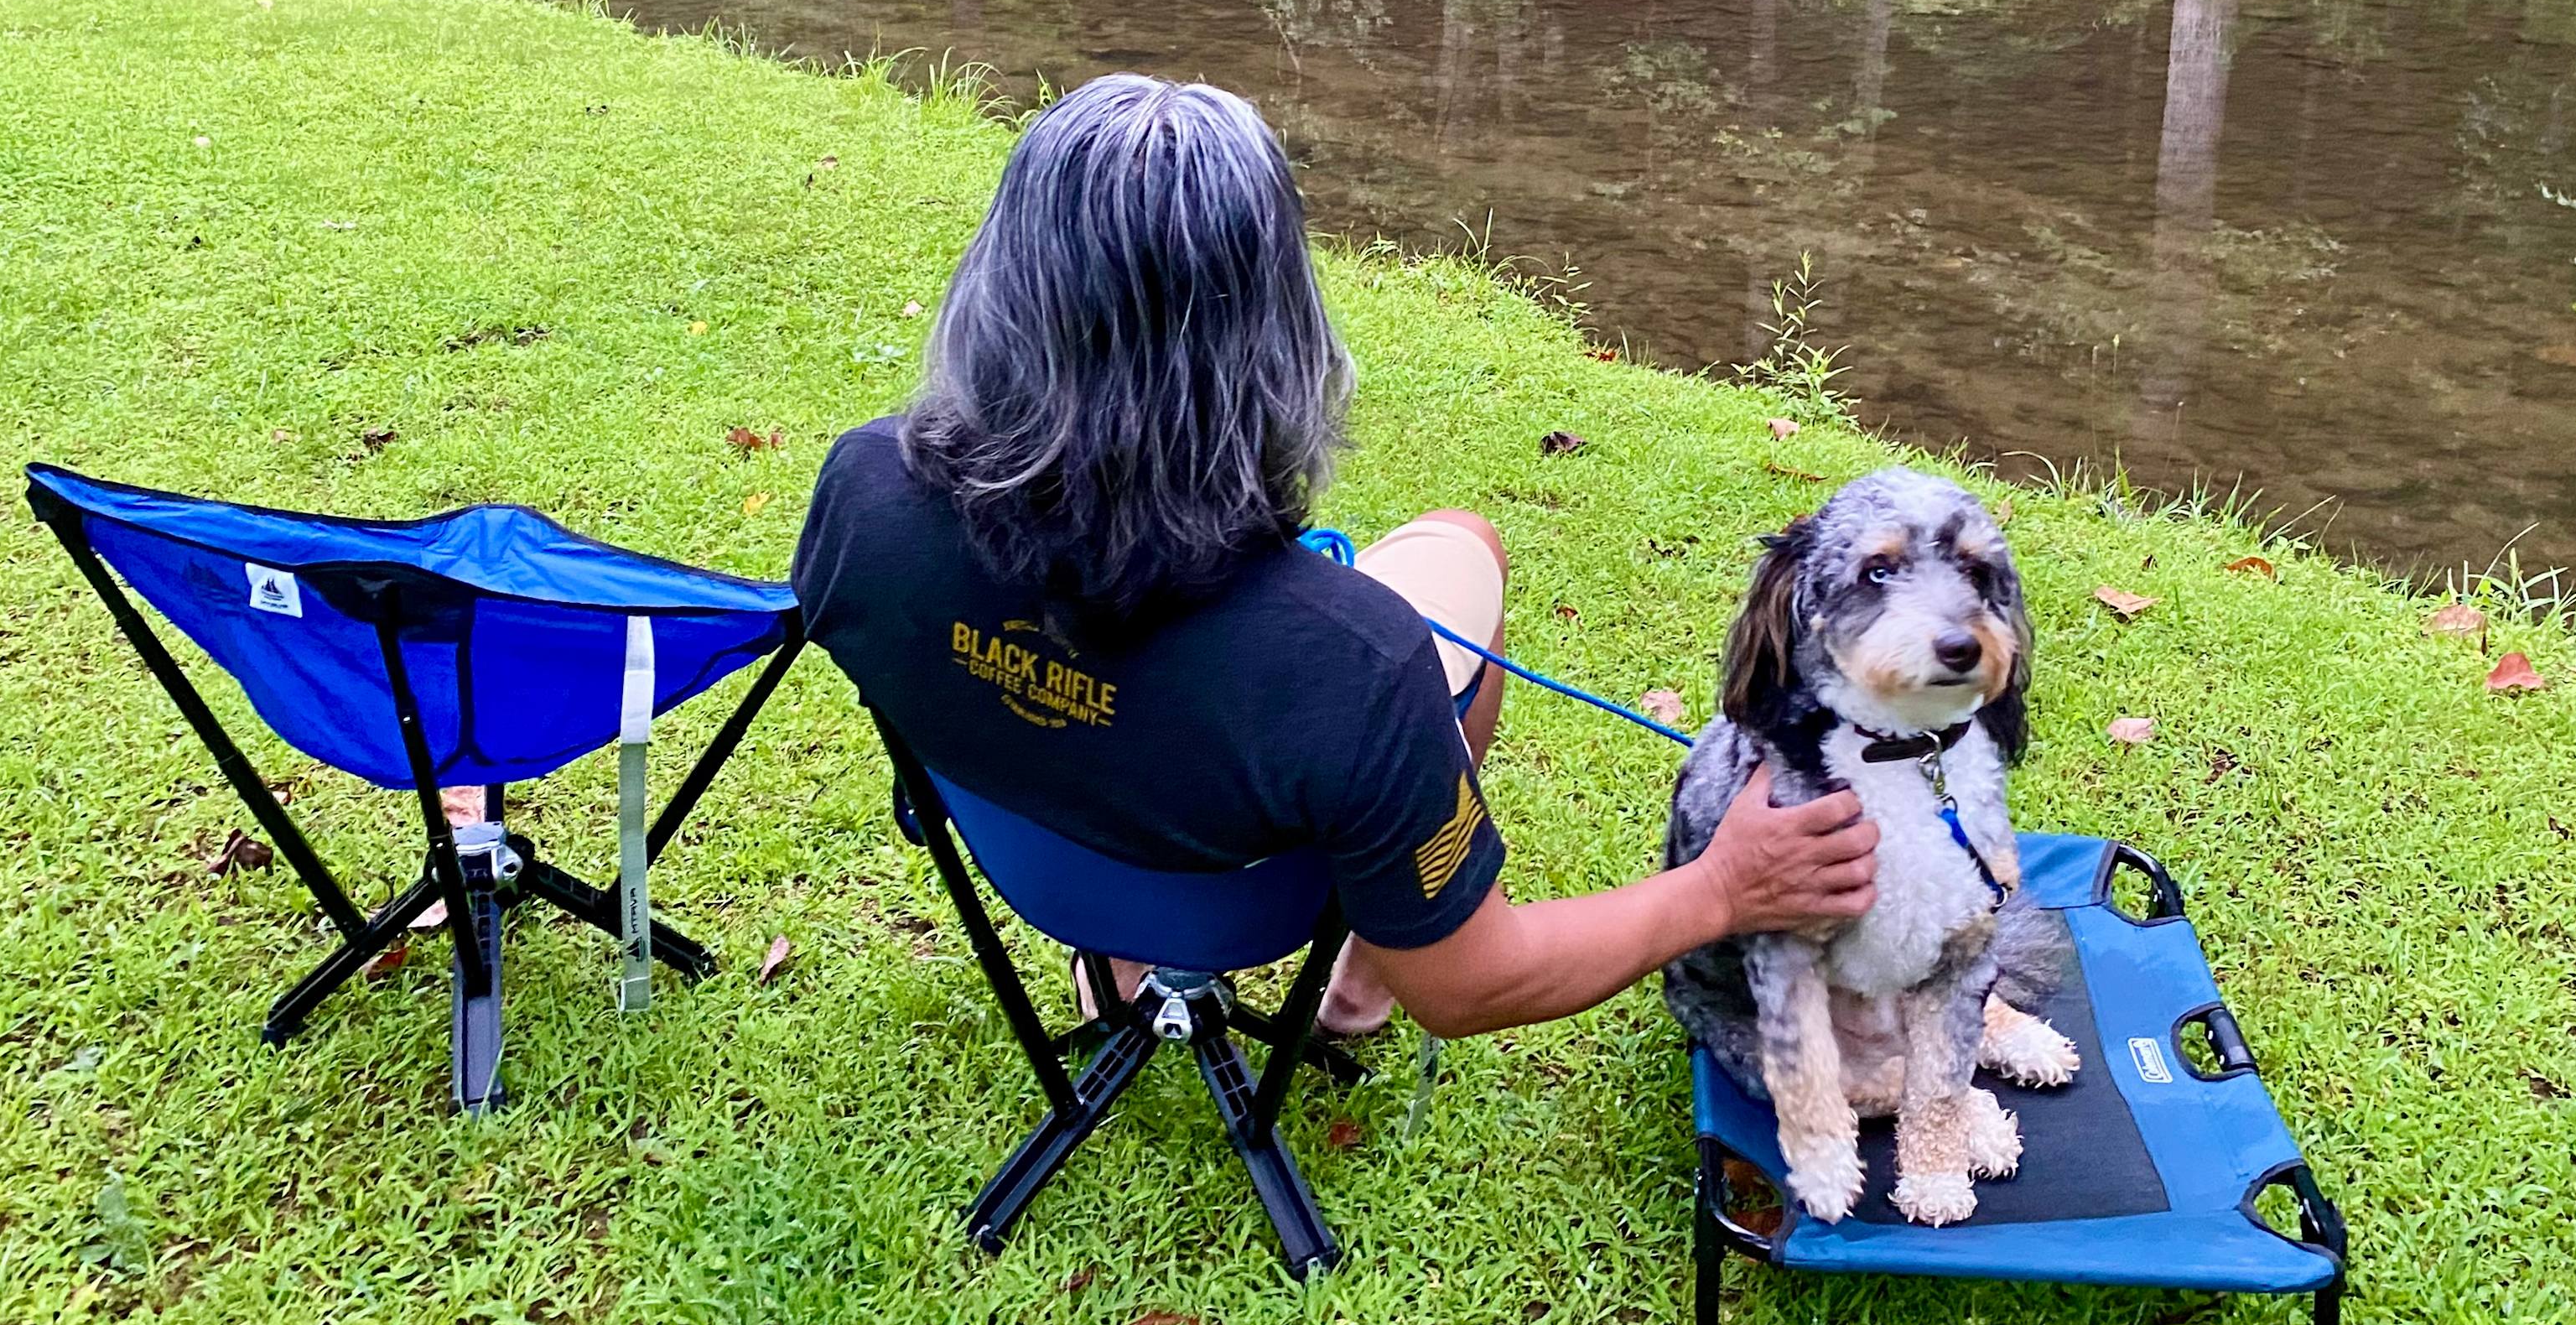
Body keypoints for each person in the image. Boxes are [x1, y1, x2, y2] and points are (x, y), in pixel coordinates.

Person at [789, 74, 1874, 1040]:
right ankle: (1359, 984)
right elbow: (1475, 985)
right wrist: (1722, 888)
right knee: (1468, 550)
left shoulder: (861, 489)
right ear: (1274, 326)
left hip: (1032, 850)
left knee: (1453, 550)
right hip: (1238, 896)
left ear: (1000, 286)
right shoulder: (1356, 661)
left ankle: (1115, 968)